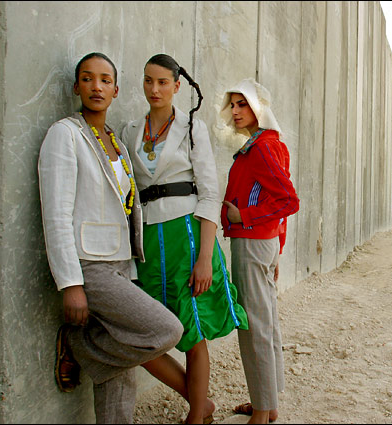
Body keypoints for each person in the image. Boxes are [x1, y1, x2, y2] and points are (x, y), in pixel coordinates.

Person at [38, 52, 184, 423]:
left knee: (120, 383)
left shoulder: (117, 142)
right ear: (76, 87)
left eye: (105, 80)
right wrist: (70, 283)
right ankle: (77, 343)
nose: (96, 86)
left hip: (122, 264)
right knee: (165, 329)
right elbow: (55, 213)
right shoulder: (65, 135)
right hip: (90, 265)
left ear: (116, 90)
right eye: (87, 79)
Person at [121, 54, 249, 424]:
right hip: (146, 242)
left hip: (188, 239)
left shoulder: (193, 128)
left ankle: (197, 415)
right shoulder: (131, 131)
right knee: (141, 335)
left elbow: (210, 194)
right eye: (148, 81)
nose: (154, 89)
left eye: (163, 82)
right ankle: (201, 403)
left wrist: (205, 257)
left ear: (177, 86)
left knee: (192, 333)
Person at [219, 78, 300, 424]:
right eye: (233, 105)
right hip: (262, 243)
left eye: (243, 104)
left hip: (252, 242)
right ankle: (267, 403)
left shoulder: (263, 147)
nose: (236, 111)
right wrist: (278, 248)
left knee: (254, 326)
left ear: (259, 108)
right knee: (265, 322)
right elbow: (275, 198)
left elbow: (287, 199)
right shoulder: (267, 143)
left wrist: (245, 216)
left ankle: (263, 411)